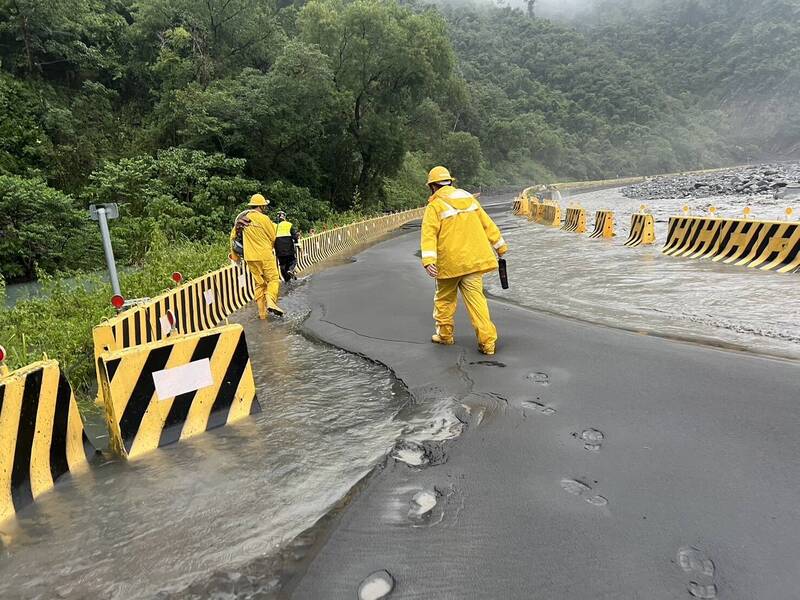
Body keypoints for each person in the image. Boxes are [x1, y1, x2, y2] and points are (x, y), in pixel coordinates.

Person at [420, 166, 508, 355]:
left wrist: (428, 260)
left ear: (433, 187)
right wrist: (500, 246)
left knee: (444, 300)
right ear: (450, 182)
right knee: (477, 303)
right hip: (473, 262)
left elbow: (429, 235)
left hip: (449, 265)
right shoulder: (469, 199)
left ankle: (444, 336)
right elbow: (488, 224)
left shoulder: (434, 206)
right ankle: (488, 344)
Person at [229, 194, 284, 319]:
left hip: (250, 258)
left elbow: (233, 238)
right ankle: (270, 301)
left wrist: (236, 258)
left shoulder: (242, 220)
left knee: (259, 285)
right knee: (273, 280)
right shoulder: (264, 219)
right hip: (265, 255)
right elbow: (272, 237)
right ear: (261, 206)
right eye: (264, 206)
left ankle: (262, 314)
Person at [274, 210, 300, 281]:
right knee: (293, 261)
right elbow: (294, 236)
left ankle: (286, 280)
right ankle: (291, 270)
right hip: (289, 249)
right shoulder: (289, 224)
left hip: (279, 250)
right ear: (284, 217)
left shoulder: (274, 226)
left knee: (282, 265)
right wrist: (297, 243)